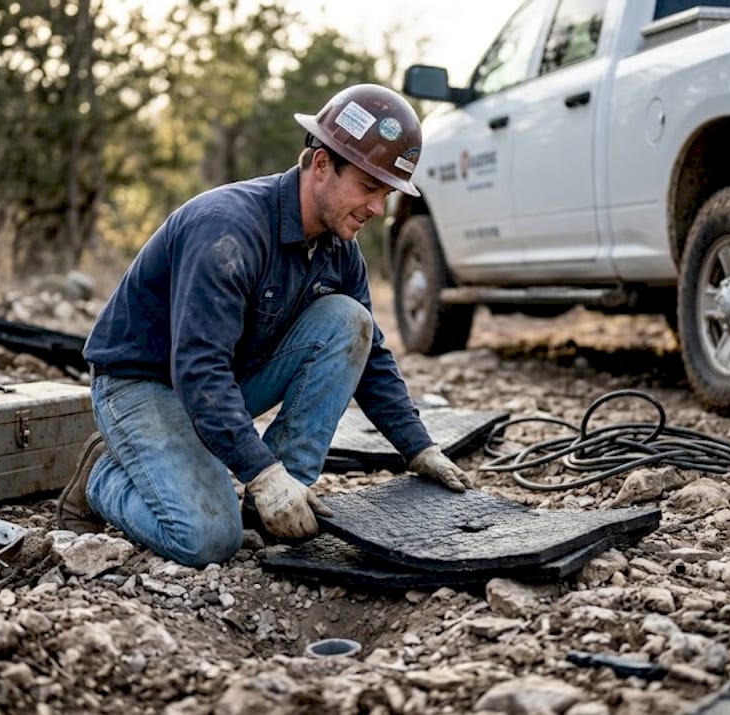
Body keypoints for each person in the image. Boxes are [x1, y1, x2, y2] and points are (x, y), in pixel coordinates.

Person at [57, 83, 472, 568]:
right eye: (368, 187)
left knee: (349, 321)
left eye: (385, 192)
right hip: (143, 385)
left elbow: (371, 356)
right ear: (321, 166)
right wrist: (259, 470)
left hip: (219, 385)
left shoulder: (340, 249)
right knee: (207, 540)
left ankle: (273, 502)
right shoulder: (227, 230)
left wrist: (418, 448)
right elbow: (199, 367)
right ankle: (102, 478)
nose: (377, 209)